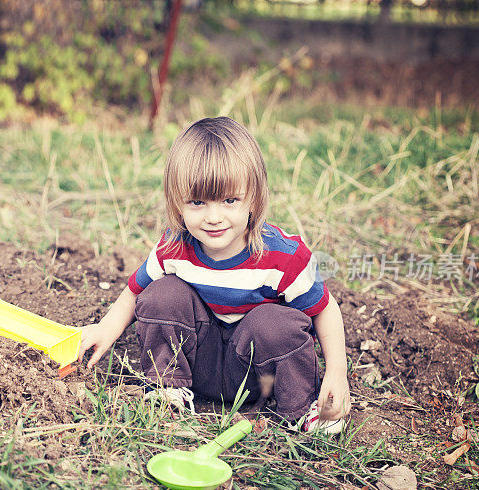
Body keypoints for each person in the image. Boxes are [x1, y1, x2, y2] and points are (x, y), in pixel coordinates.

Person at [77, 116, 350, 434]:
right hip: (197, 362)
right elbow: (136, 291)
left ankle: (303, 409)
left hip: (257, 375)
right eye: (197, 202)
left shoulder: (283, 257)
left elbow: (325, 309)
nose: (213, 217)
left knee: (276, 324)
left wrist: (337, 371)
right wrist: (107, 328)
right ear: (177, 203)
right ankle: (168, 391)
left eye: (229, 201)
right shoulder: (176, 246)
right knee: (162, 293)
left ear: (253, 199)